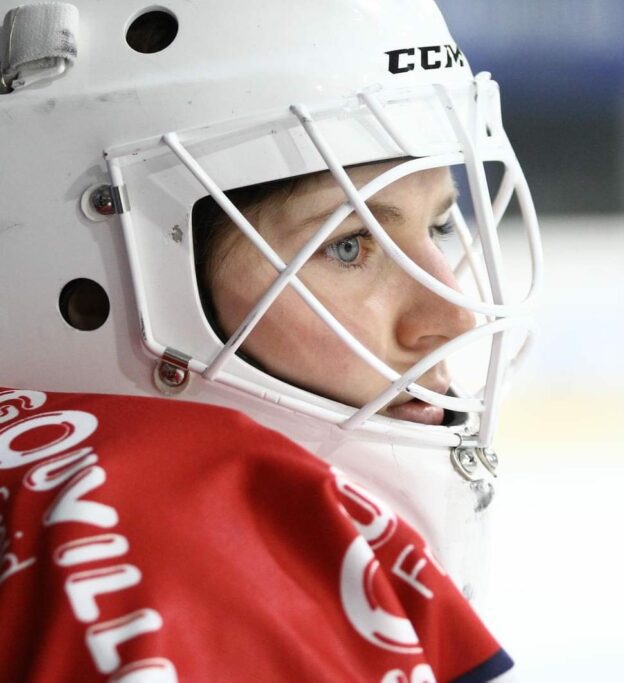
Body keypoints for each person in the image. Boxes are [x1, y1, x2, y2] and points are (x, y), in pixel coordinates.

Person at [0, 1, 542, 681]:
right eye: (347, 244)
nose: (453, 316)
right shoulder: (183, 559)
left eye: (437, 226)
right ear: (86, 291)